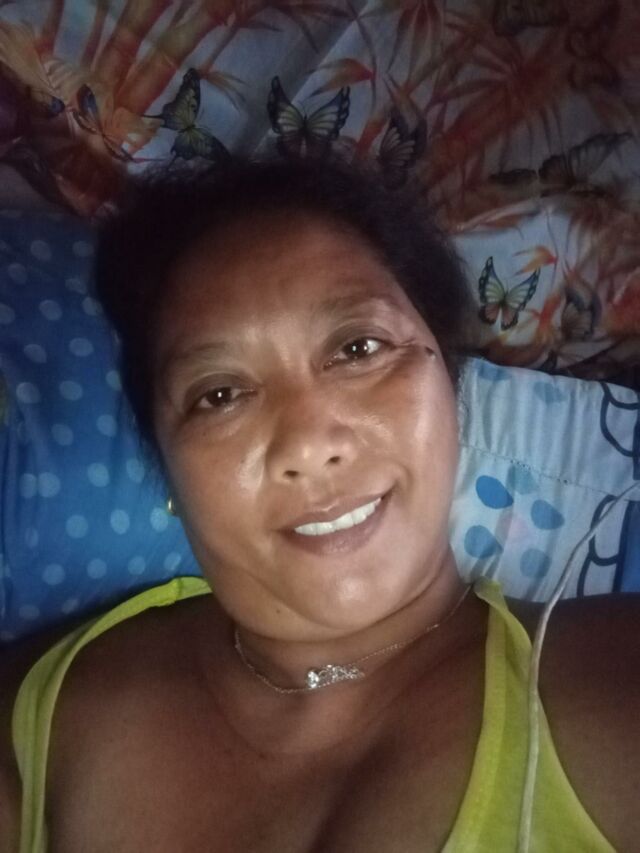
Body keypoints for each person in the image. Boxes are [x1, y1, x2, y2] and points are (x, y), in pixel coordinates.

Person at [0, 157, 639, 853]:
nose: (307, 442)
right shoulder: (53, 717)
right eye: (219, 395)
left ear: (451, 391)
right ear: (169, 474)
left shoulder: (607, 687)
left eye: (359, 348)